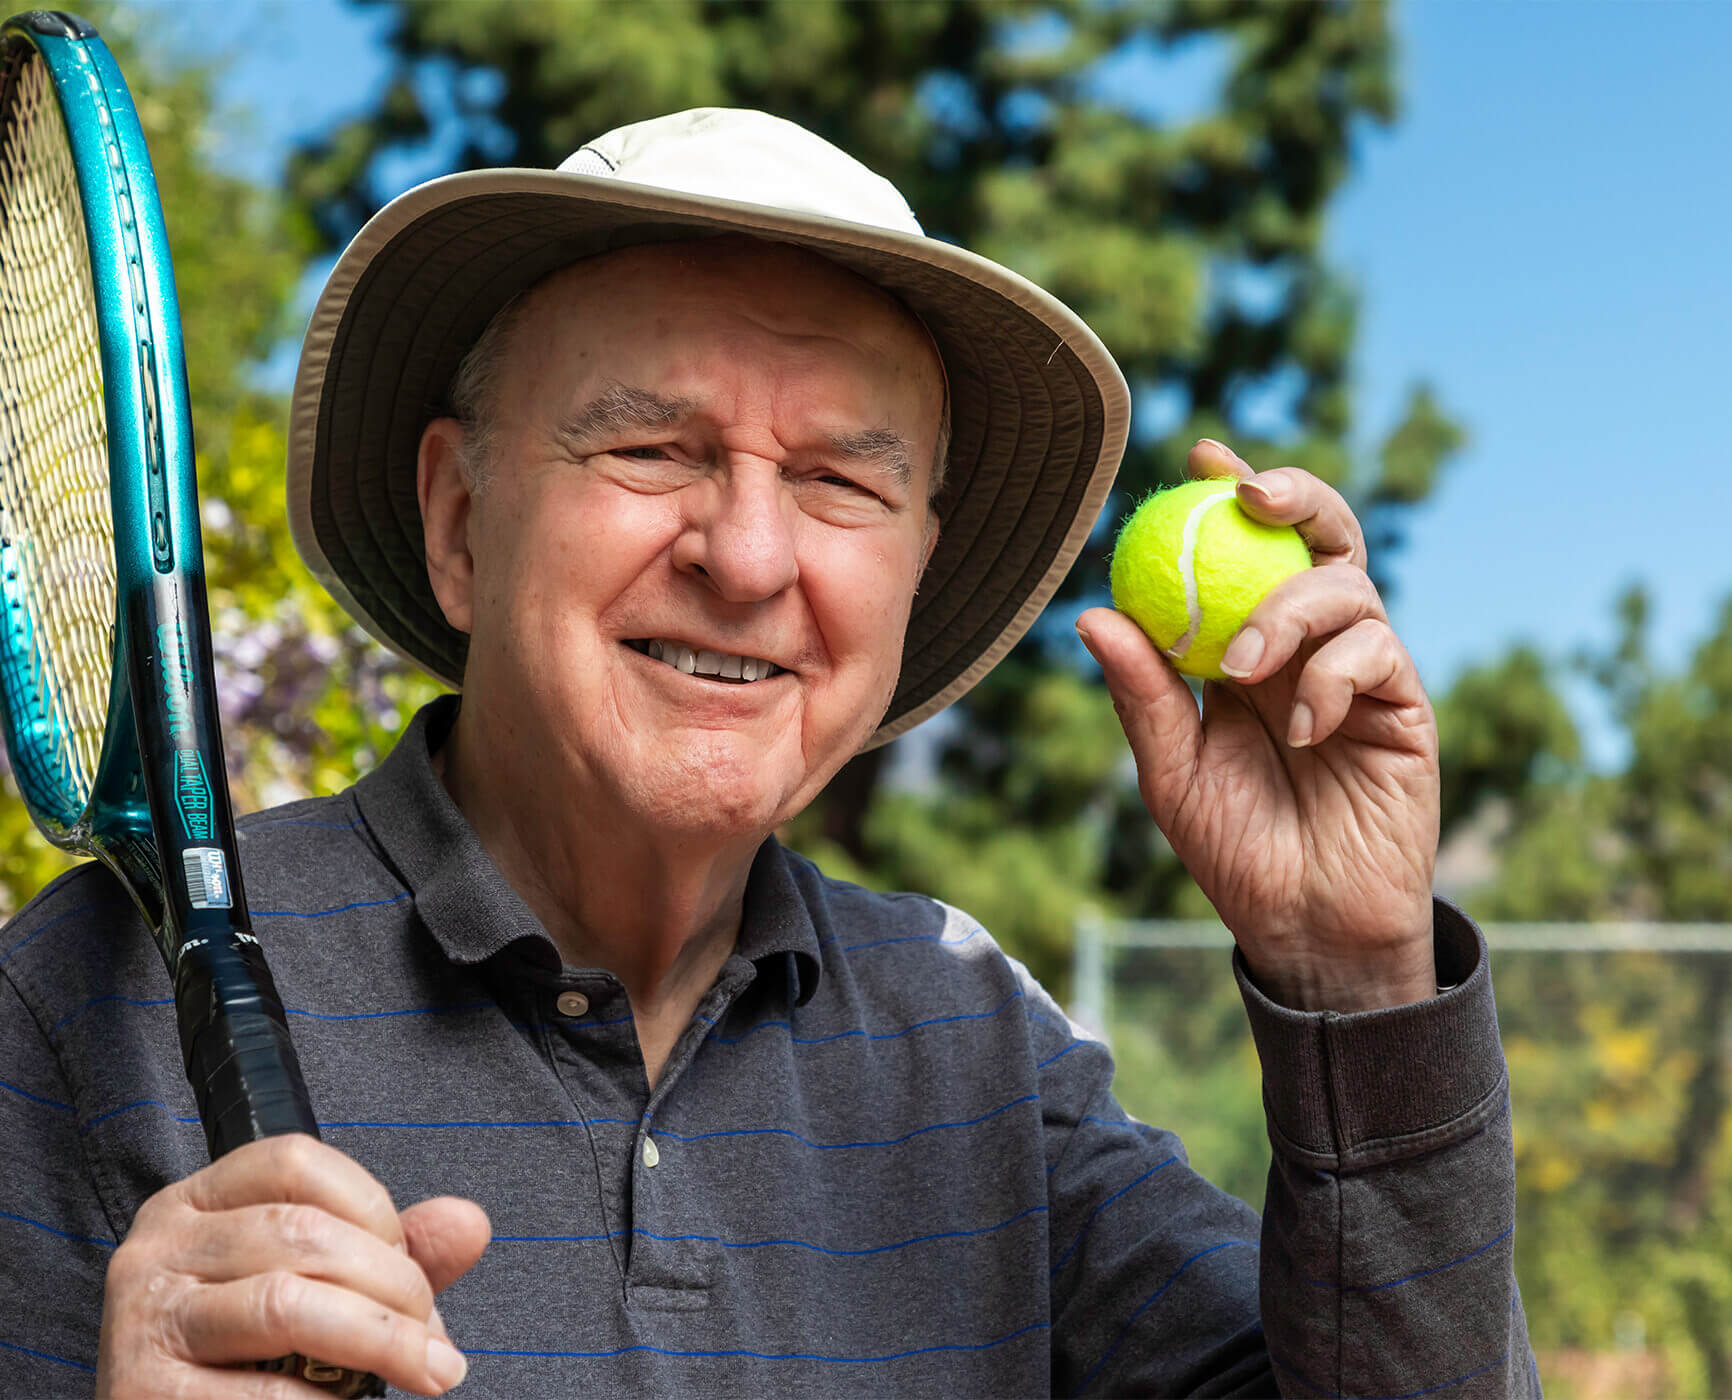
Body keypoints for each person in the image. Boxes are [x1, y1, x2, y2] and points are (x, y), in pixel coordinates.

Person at [0, 109, 1536, 1398]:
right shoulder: (91, 1006)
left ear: (913, 572)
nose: (746, 557)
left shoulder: (975, 1042)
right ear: (461, 522)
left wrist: (1357, 978)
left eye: (840, 483)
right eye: (651, 449)